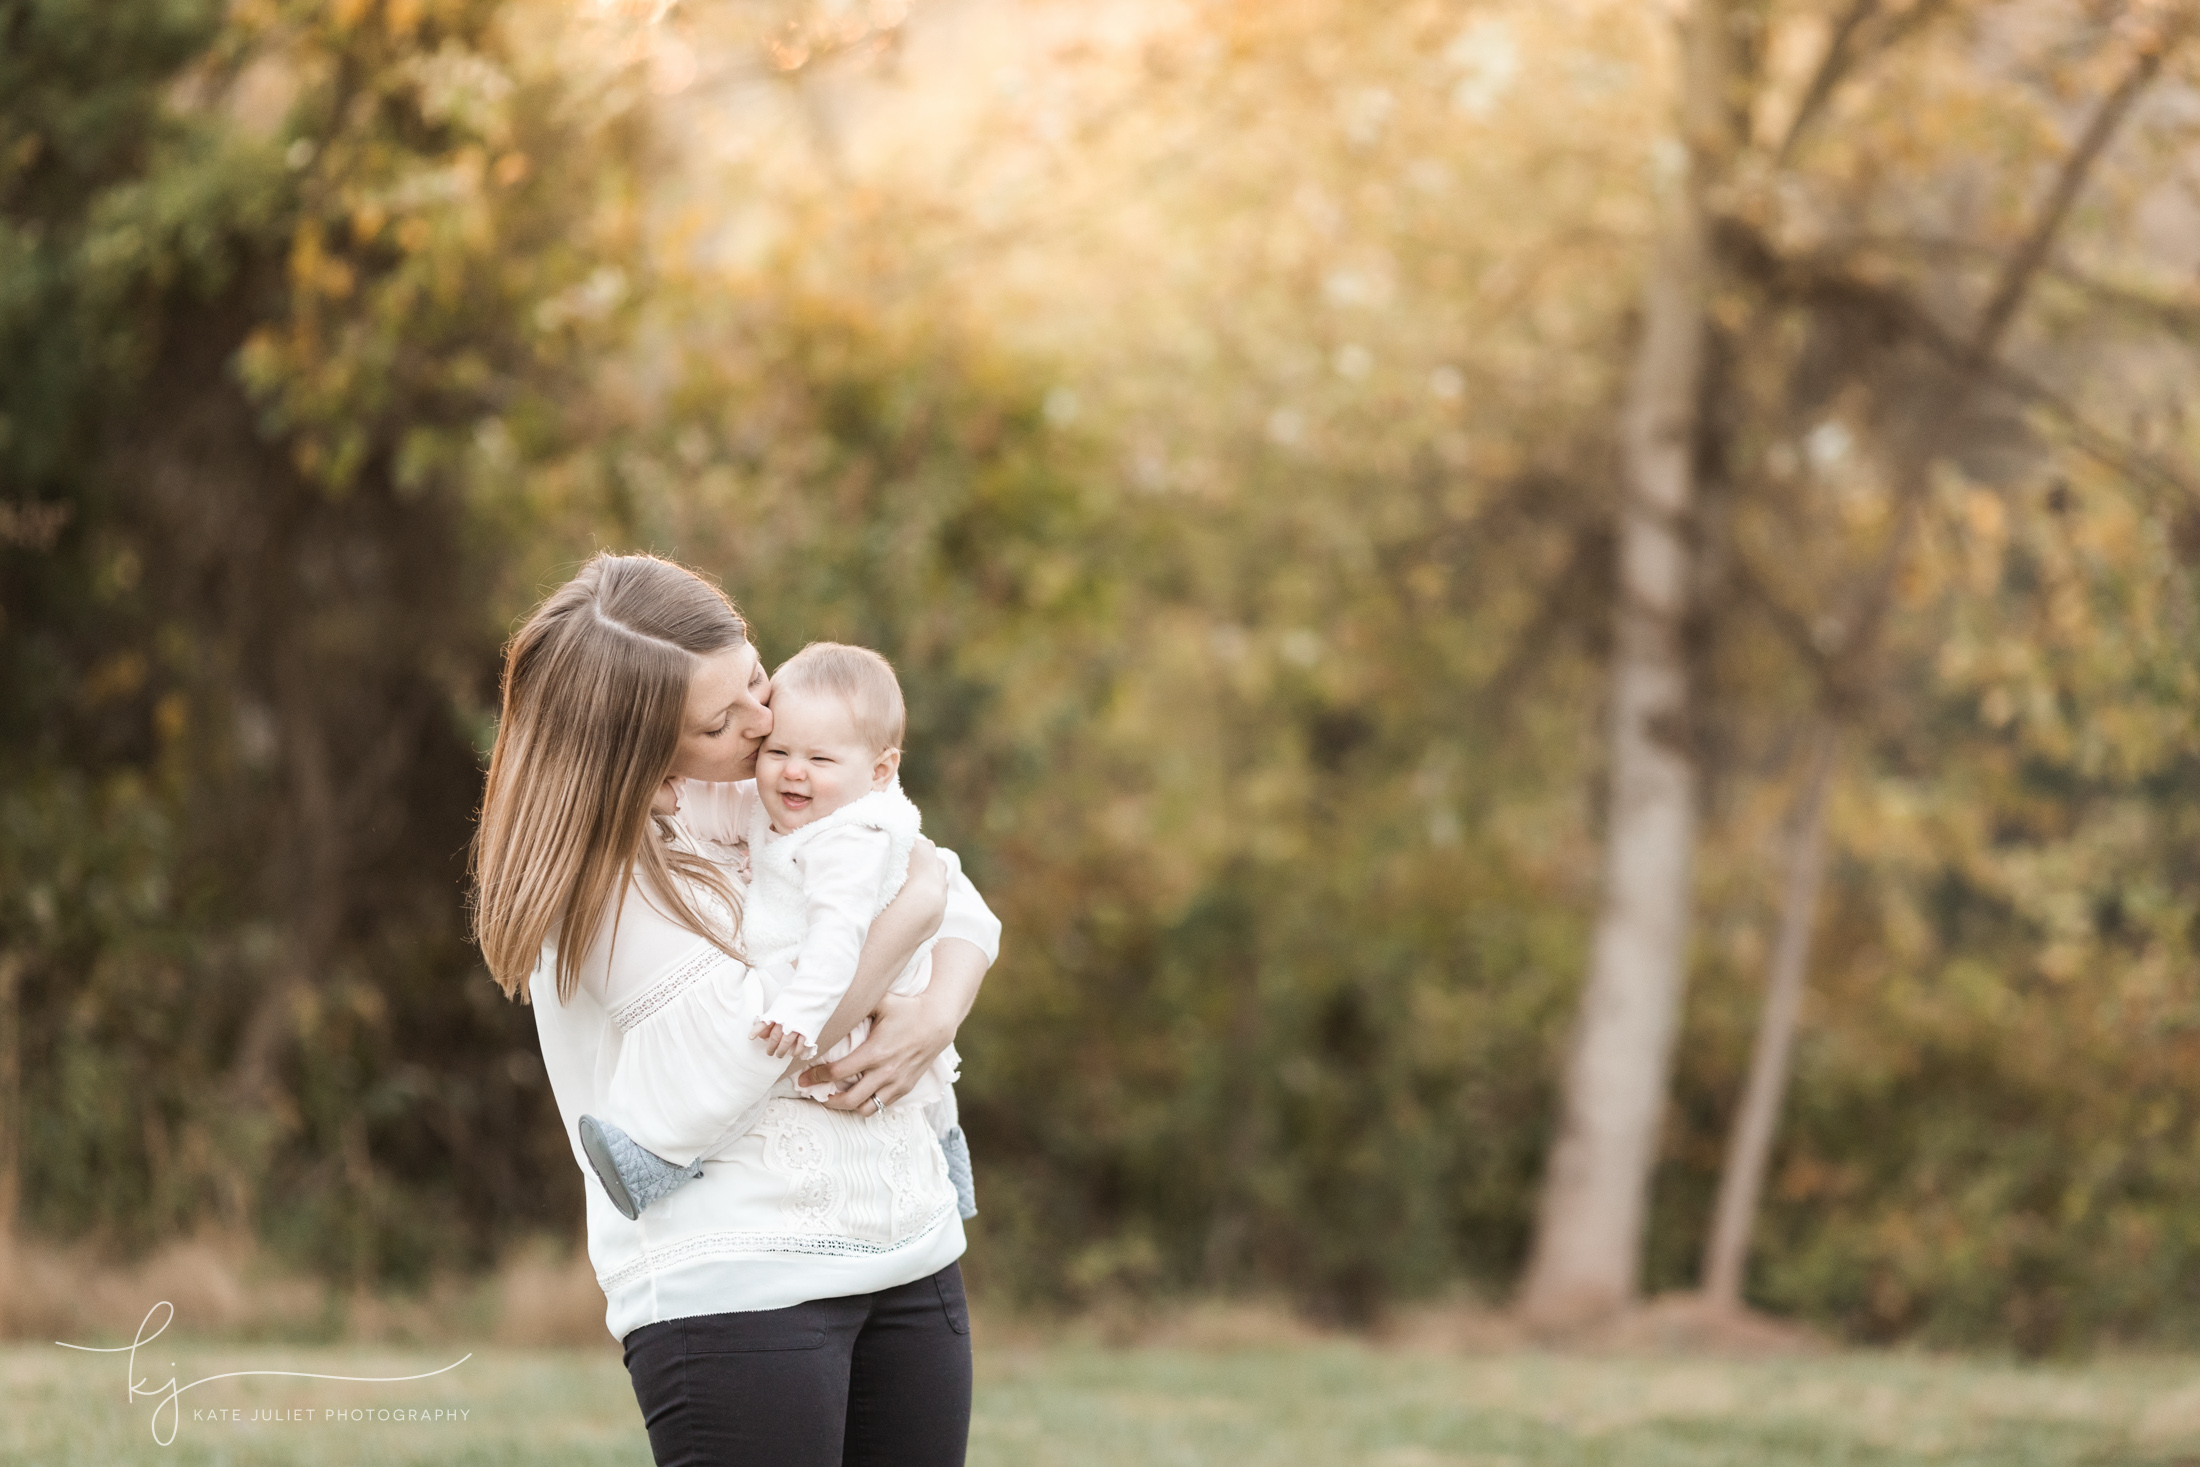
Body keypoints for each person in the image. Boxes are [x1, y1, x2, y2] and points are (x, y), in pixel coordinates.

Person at [470, 553, 998, 1467]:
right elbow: (741, 1049)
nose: (766, 722)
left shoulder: (771, 774)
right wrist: (911, 911)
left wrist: (939, 1008)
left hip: (908, 1246)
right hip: (741, 1284)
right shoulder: (600, 876)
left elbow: (944, 885)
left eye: (754, 677)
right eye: (724, 720)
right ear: (636, 747)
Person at [578, 640, 976, 1223]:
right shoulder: (788, 804)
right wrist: (637, 794)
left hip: (840, 992)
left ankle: (663, 1158)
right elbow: (709, 812)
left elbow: (839, 939)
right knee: (777, 1068)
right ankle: (949, 1154)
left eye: (819, 759)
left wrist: (802, 1011)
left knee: (766, 1079)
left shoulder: (850, 837)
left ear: (880, 771)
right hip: (828, 979)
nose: (793, 770)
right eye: (778, 750)